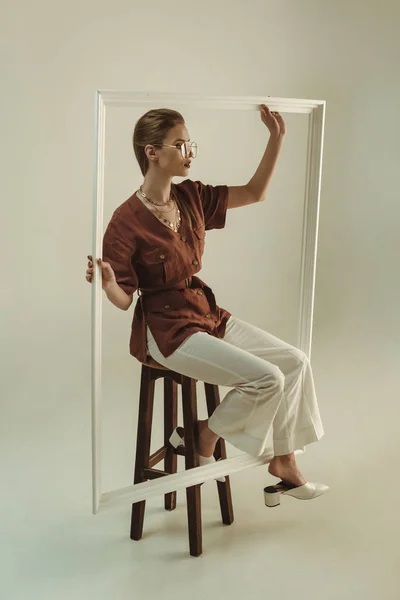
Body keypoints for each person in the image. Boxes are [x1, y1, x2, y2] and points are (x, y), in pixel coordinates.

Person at [86, 105, 329, 507]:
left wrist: (276, 139)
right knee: (268, 378)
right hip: (166, 330)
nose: (189, 151)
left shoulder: (192, 196)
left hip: (203, 310)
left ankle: (283, 459)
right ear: (152, 152)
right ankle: (204, 434)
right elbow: (124, 300)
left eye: (189, 142)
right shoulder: (124, 221)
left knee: (295, 362)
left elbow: (254, 193)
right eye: (180, 144)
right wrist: (108, 284)